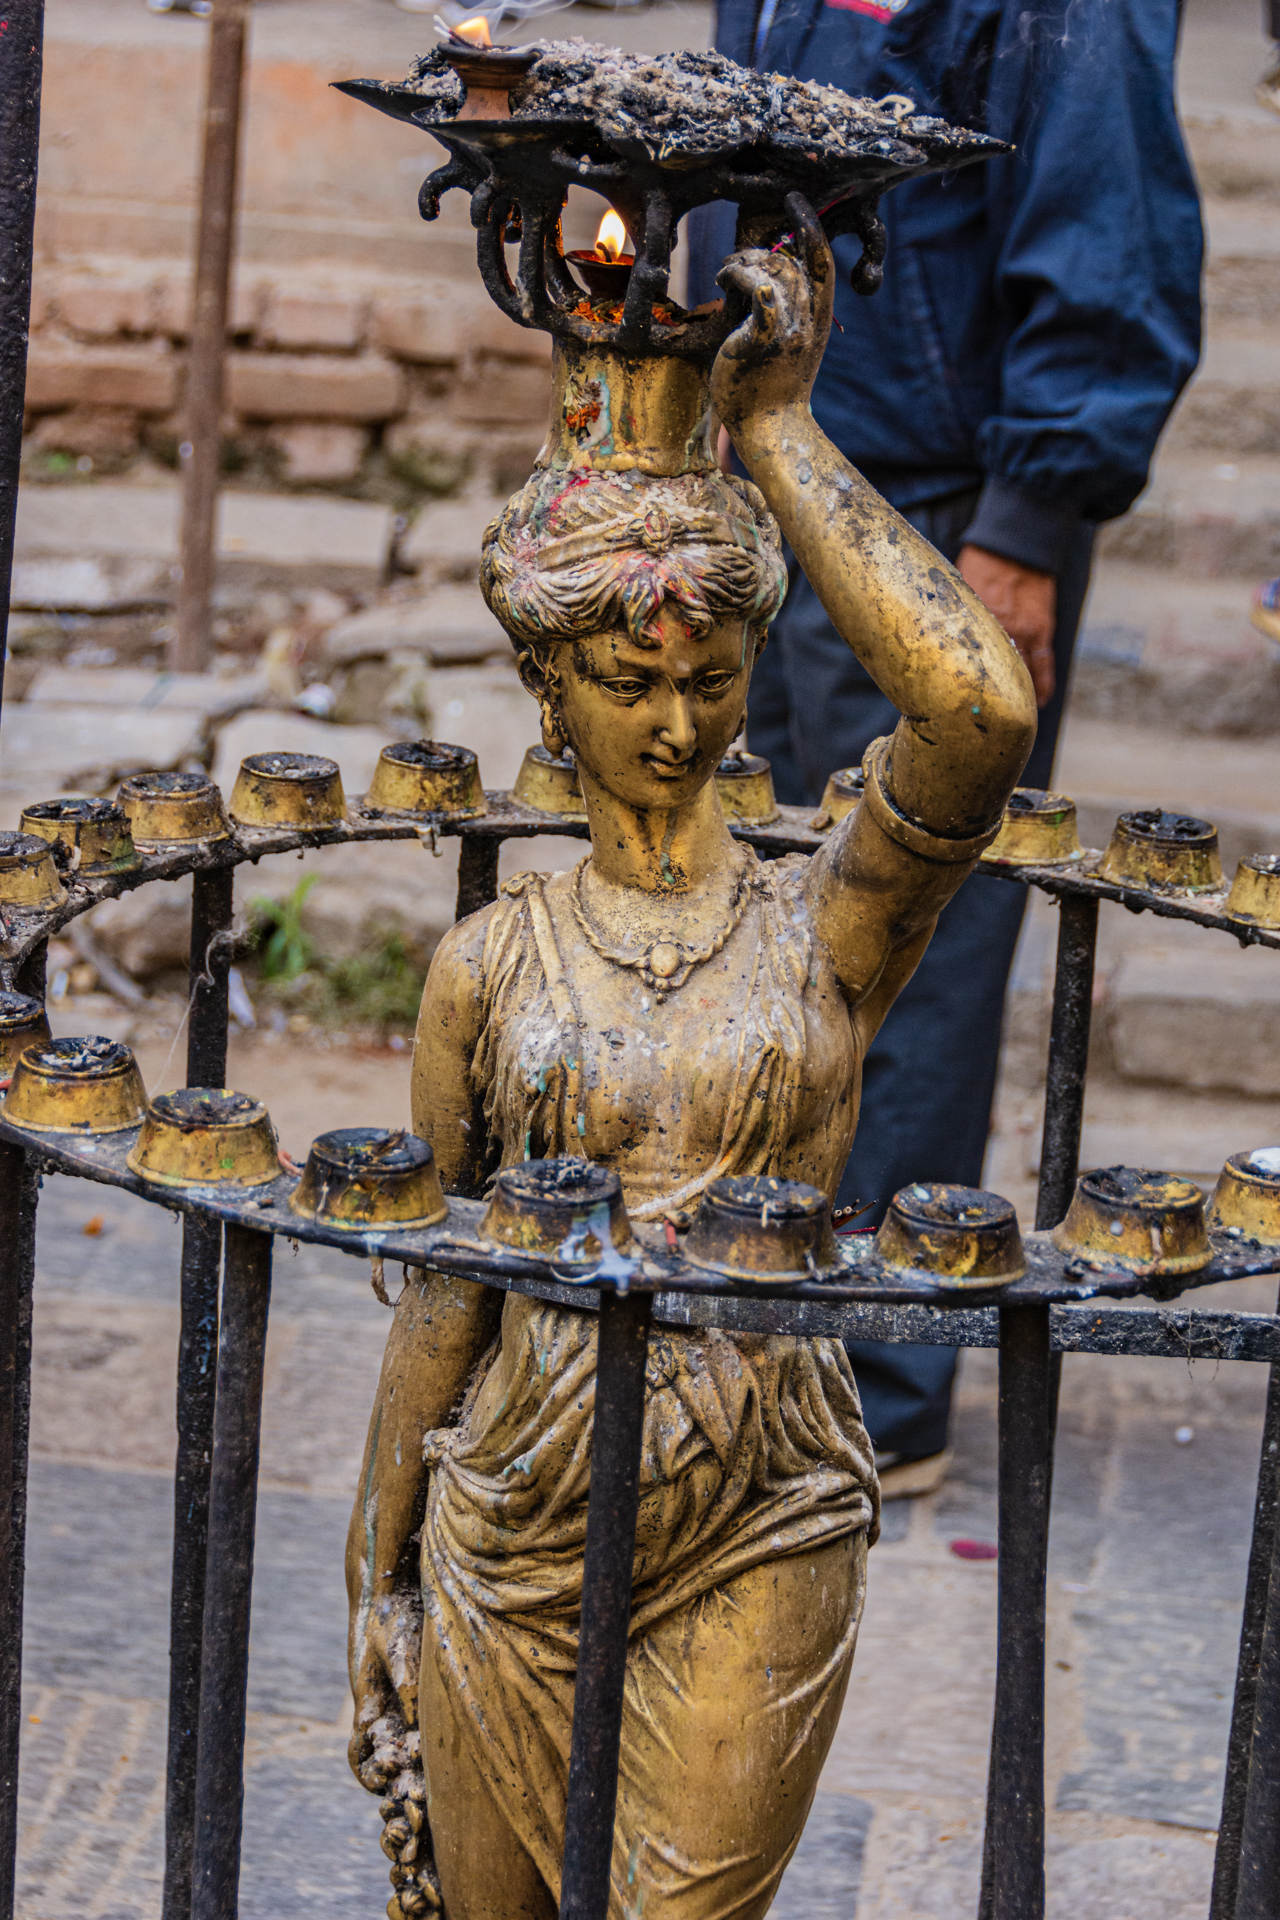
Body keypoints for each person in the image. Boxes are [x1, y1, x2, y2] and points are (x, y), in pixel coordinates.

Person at [347, 211, 1036, 1920]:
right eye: (622, 679)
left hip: (760, 1496)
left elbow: (979, 717)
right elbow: (447, 1287)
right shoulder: (488, 967)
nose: (673, 721)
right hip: (510, 1504)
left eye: (713, 676)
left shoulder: (827, 929)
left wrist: (785, 434)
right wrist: (376, 1565)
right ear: (545, 682)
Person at [688, 0, 1204, 1490]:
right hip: (772, 468)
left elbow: (1115, 244)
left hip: (944, 507)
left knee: (920, 924)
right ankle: (760, 1296)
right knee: (765, 893)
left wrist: (1030, 536)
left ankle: (878, 1372)